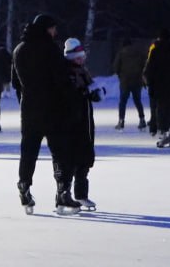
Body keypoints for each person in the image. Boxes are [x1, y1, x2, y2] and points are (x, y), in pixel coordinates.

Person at [11, 14, 72, 214]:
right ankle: (63, 192)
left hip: (29, 108)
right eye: (53, 28)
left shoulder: (19, 50)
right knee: (59, 151)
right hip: (53, 108)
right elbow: (61, 80)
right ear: (46, 29)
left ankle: (24, 185)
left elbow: (15, 83)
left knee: (29, 150)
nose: (55, 32)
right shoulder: (51, 50)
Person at [63, 38, 103, 211]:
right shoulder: (65, 71)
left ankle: (81, 195)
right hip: (72, 121)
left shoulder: (83, 71)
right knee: (71, 159)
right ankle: (65, 194)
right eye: (77, 56)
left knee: (85, 158)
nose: (80, 59)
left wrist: (97, 92)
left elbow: (93, 87)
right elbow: (68, 94)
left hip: (86, 121)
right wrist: (85, 93)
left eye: (82, 56)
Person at [111, 39, 147, 131]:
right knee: (138, 101)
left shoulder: (121, 53)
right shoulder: (139, 53)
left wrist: (120, 75)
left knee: (123, 102)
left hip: (125, 81)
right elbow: (144, 65)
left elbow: (115, 67)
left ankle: (121, 121)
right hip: (137, 80)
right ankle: (142, 120)